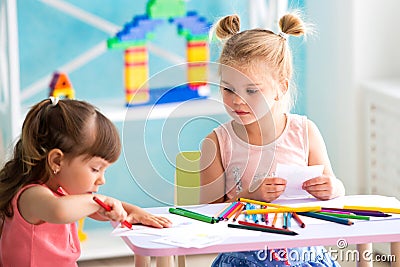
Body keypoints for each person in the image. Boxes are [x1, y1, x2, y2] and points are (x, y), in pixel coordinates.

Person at [200, 12, 345, 266]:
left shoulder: (305, 132)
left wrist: (333, 188)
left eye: (252, 90)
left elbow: (334, 190)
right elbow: (209, 214)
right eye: (228, 89)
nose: (237, 100)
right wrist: (249, 196)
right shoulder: (216, 143)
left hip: (304, 253)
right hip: (243, 256)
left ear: (282, 87)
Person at [0, 98, 172, 266]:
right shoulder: (32, 195)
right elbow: (59, 210)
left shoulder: (64, 193)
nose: (102, 180)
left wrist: (134, 212)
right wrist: (101, 202)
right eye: (96, 169)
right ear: (57, 161)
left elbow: (98, 210)